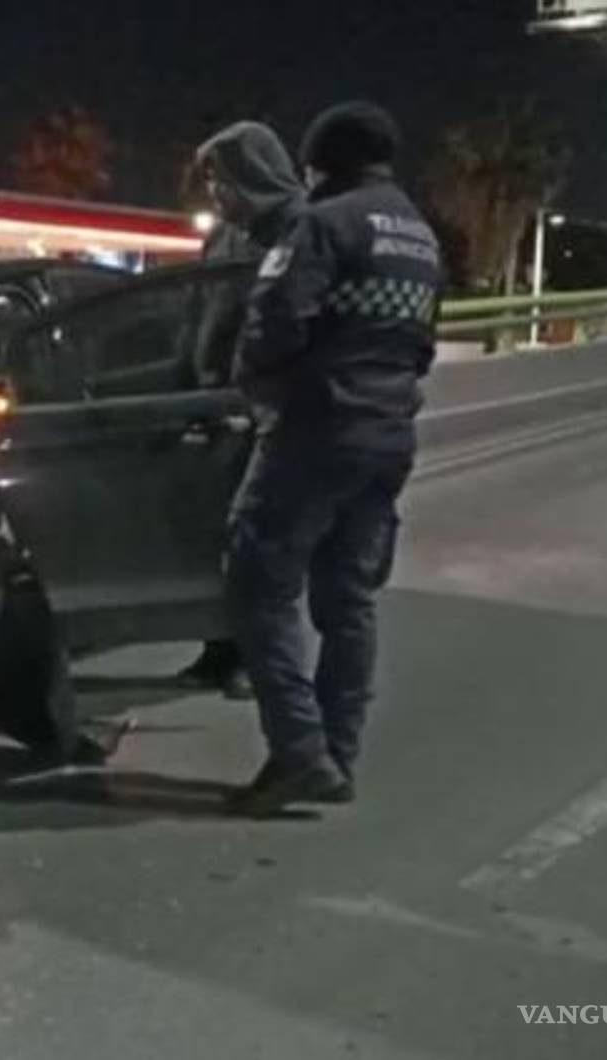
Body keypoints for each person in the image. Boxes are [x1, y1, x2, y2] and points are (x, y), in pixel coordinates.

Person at [222, 102, 443, 816]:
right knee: (349, 602)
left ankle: (300, 753)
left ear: (323, 162)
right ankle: (337, 756)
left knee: (258, 584)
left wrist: (262, 389)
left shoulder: (324, 223)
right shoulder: (419, 236)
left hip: (317, 429)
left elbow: (274, 323)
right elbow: (423, 345)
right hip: (390, 433)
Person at [178, 121, 308, 701]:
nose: (215, 194)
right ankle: (219, 645)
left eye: (222, 180)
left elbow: (295, 328)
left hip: (262, 415)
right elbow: (196, 310)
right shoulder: (225, 235)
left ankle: (261, 661)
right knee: (212, 537)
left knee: (263, 546)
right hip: (212, 407)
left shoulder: (300, 231)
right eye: (210, 182)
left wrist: (264, 404)